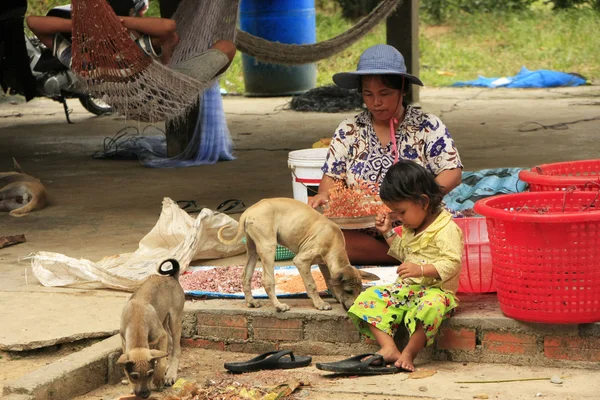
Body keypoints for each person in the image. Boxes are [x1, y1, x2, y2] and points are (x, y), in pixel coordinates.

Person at [308, 44, 462, 265]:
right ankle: (406, 256)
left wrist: (419, 202)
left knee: (440, 232)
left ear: (403, 90)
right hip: (363, 231)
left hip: (415, 224)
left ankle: (408, 251)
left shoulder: (427, 126)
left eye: (385, 93)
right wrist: (324, 197)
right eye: (368, 94)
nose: (375, 102)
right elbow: (331, 179)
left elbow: (452, 172)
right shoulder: (349, 129)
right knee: (321, 237)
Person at [347, 160, 463, 372]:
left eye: (401, 212)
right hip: (407, 290)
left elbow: (452, 263)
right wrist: (388, 233)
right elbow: (404, 253)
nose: (399, 218)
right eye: (394, 213)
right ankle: (389, 347)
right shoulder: (412, 227)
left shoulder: (446, 229)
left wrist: (421, 270)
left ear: (423, 202)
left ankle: (409, 352)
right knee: (367, 298)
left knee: (430, 308)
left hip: (436, 292)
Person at [25, 0, 235, 79]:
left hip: (164, 83)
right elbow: (168, 27)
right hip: (169, 88)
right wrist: (107, 23)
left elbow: (34, 23)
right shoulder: (130, 53)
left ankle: (171, 61)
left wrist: (94, 24)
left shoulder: (79, 60)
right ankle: (181, 68)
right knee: (226, 47)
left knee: (176, 40)